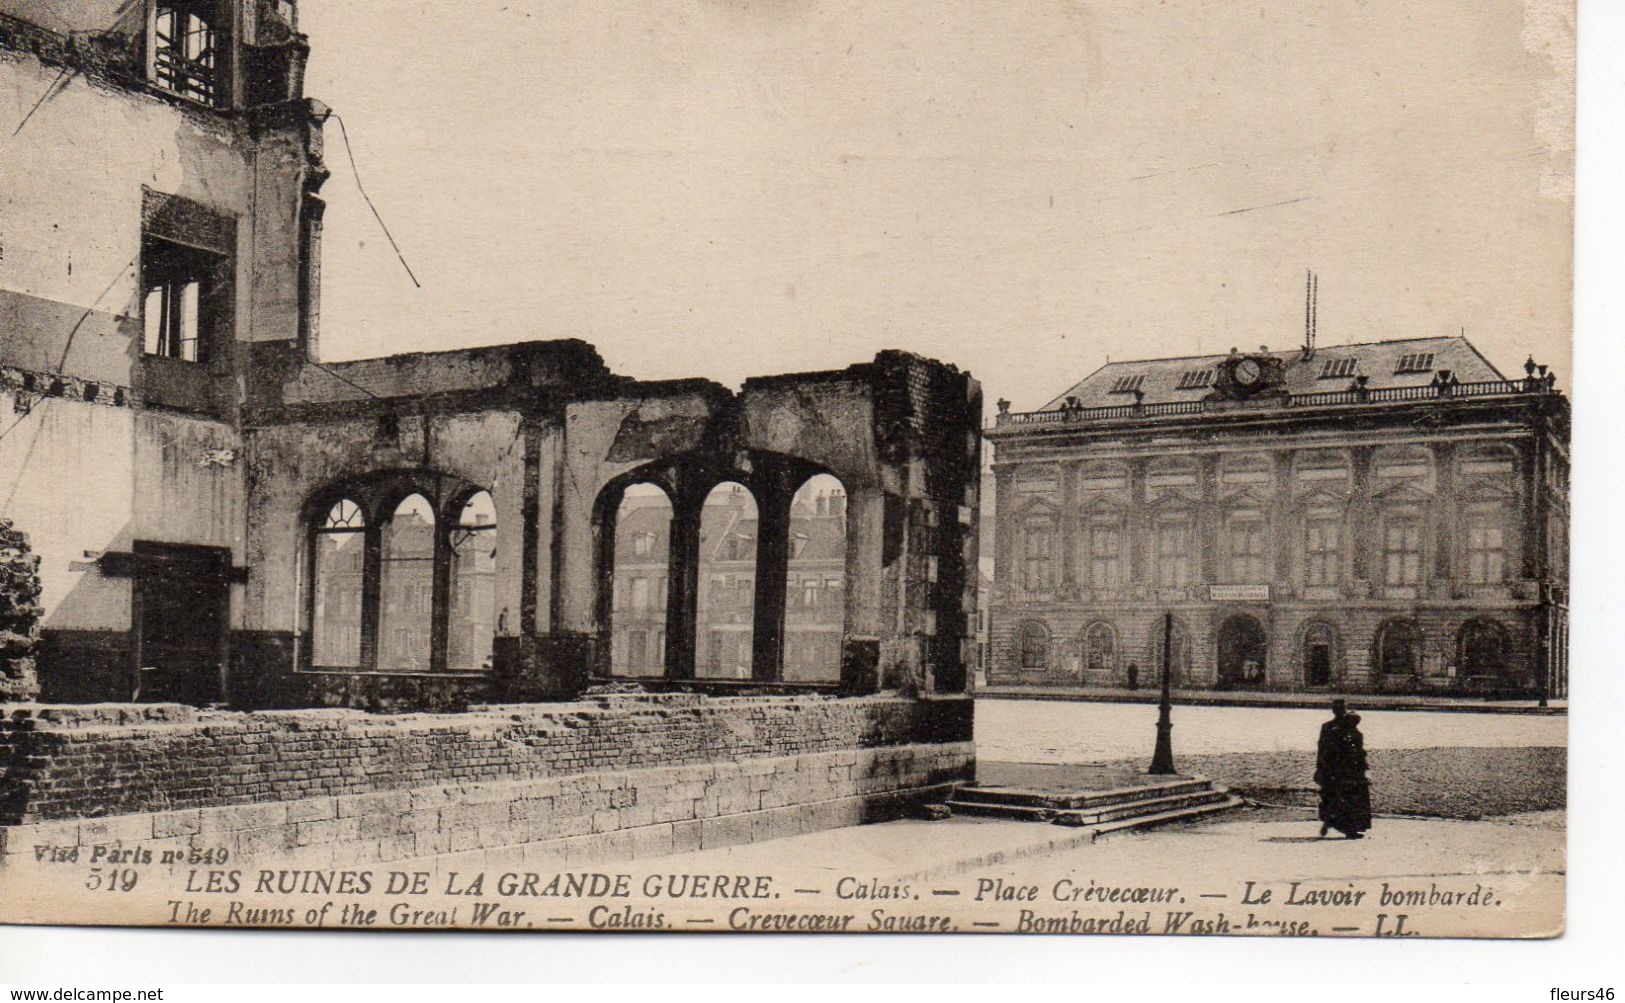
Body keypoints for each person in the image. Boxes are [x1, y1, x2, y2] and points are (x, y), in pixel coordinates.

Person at [1314, 699, 1372, 839]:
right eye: (1339, 709)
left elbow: (1358, 750)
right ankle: (1340, 825)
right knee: (1341, 798)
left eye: (1343, 709)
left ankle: (1344, 826)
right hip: (1338, 769)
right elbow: (1323, 749)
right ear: (1335, 711)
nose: (1341, 712)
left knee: (1349, 798)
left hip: (1347, 770)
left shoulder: (1350, 728)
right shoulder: (1332, 728)